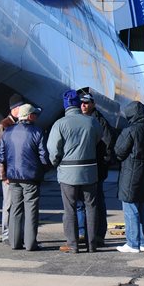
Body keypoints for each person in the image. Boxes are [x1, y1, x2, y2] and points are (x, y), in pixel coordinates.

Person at [47, 90, 102, 252]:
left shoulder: (60, 124)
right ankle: (92, 244)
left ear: (65, 106)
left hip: (68, 172)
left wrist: (56, 163)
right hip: (89, 170)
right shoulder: (91, 122)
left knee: (70, 209)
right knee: (91, 207)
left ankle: (73, 245)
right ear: (78, 104)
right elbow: (98, 138)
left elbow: (53, 149)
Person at [0, 102, 51, 250]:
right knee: (31, 209)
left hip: (13, 176)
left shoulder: (8, 132)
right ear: (29, 116)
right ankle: (30, 243)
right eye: (34, 114)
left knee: (15, 209)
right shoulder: (37, 132)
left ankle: (14, 242)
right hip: (31, 177)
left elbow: (1, 156)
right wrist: (43, 169)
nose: (36, 116)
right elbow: (44, 156)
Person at [113, 100, 144, 253]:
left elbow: (119, 151)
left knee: (130, 206)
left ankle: (132, 243)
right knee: (142, 206)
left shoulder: (130, 130)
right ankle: (143, 242)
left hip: (131, 172)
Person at [78, 91, 116, 247]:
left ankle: (99, 234)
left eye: (87, 103)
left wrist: (103, 163)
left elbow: (108, 144)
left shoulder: (99, 120)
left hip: (96, 168)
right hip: (84, 168)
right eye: (81, 103)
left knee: (97, 202)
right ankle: (82, 232)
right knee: (81, 202)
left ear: (93, 104)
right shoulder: (81, 119)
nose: (83, 105)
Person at [0, 94, 25, 244]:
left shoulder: (18, 124)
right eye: (21, 107)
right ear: (15, 108)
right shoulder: (3, 125)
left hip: (18, 172)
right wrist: (3, 175)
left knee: (18, 204)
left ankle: (17, 232)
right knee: (8, 204)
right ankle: (6, 234)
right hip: (9, 174)